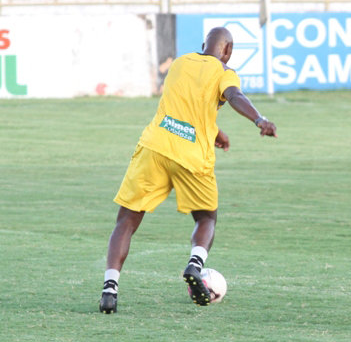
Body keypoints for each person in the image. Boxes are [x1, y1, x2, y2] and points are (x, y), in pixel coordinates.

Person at [99, 27, 277, 313]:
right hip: (192, 155)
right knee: (206, 217)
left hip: (155, 147)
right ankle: (195, 264)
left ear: (203, 45)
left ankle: (110, 289)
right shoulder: (225, 72)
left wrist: (215, 129)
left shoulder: (180, 63)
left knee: (127, 221)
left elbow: (187, 103)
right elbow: (234, 96)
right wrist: (260, 120)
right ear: (228, 50)